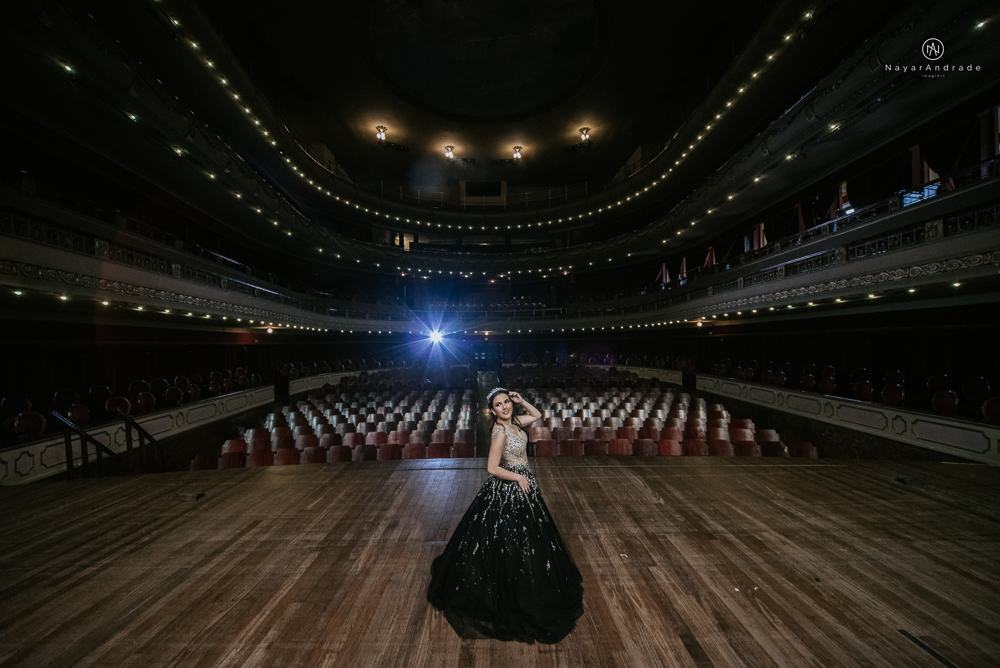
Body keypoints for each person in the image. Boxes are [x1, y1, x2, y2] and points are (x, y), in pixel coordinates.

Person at [427, 387, 584, 644]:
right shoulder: (500, 433)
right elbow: (492, 467)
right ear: (492, 411)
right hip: (511, 487)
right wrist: (519, 476)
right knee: (508, 539)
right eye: (499, 405)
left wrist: (522, 401)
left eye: (506, 403)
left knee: (531, 538)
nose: (505, 407)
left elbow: (538, 413)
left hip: (523, 485)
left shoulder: (516, 422)